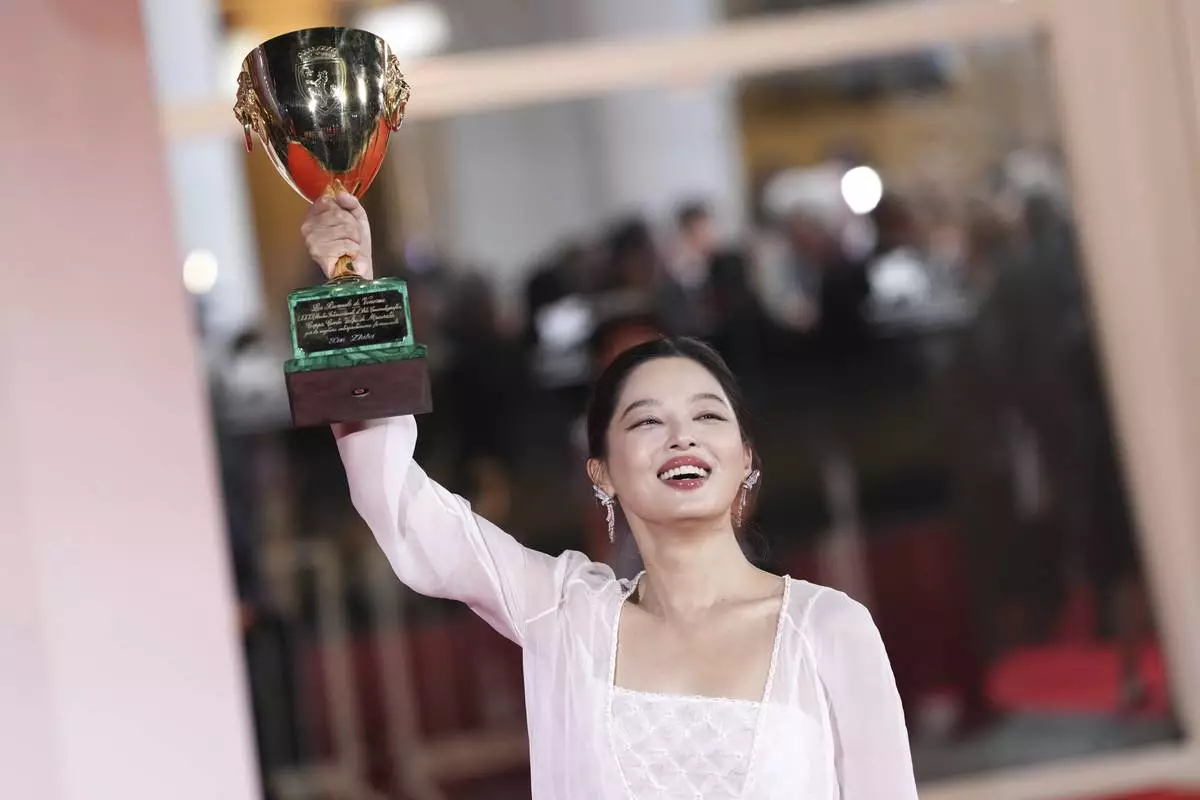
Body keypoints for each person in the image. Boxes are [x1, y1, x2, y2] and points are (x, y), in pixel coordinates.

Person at [302, 192, 919, 799]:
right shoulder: (571, 617)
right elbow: (400, 504)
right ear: (601, 472)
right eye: (647, 421)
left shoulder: (829, 630)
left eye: (707, 417)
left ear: (746, 459)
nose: (682, 437)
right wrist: (348, 285)